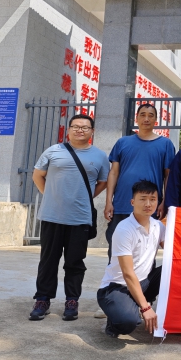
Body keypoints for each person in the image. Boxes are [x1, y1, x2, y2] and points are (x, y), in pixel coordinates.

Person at [29, 114, 109, 321]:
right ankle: (42, 299)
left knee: (75, 262)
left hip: (79, 218)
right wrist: (50, 195)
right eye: (76, 126)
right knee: (48, 260)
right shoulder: (53, 151)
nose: (80, 130)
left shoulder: (100, 156)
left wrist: (85, 196)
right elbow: (37, 175)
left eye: (85, 127)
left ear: (92, 131)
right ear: (69, 129)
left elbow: (103, 182)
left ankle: (72, 300)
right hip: (52, 216)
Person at [104, 103, 175, 258]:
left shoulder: (165, 144)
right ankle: (118, 276)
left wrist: (164, 202)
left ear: (156, 120)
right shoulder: (123, 142)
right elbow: (114, 173)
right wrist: (109, 201)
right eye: (142, 115)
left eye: (151, 115)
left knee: (145, 253)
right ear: (136, 118)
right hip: (122, 204)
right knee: (117, 252)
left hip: (149, 206)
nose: (146, 119)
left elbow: (169, 176)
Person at [97, 180, 164, 338]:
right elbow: (127, 274)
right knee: (127, 322)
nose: (148, 204)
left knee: (173, 270)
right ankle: (114, 320)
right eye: (143, 199)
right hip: (117, 287)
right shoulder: (124, 229)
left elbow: (174, 252)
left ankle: (139, 302)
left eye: (153, 199)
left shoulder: (158, 226)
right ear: (132, 202)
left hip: (144, 282)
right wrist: (145, 308)